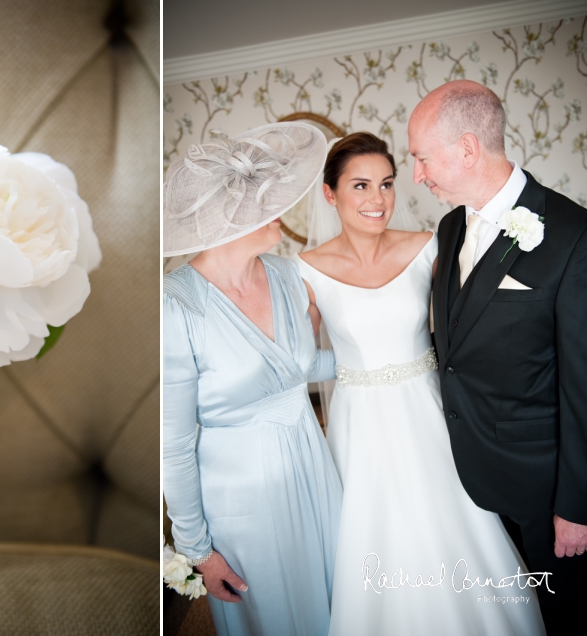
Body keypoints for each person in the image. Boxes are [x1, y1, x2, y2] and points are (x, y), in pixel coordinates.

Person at [294, 131, 545, 635]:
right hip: (359, 423)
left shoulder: (429, 247)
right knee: (375, 533)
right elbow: (298, 360)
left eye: (386, 184)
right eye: (360, 186)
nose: (378, 200)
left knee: (454, 524)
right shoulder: (306, 271)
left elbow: (473, 327)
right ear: (330, 194)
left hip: (429, 411)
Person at [410, 79, 587, 635]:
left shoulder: (572, 236)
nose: (417, 174)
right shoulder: (450, 225)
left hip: (543, 494)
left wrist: (576, 505)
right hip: (465, 481)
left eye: (420, 158)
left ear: (466, 148)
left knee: (560, 617)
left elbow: (583, 386)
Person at [163, 122, 343, 635]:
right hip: (244, 504)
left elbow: (301, 370)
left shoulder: (287, 275)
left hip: (313, 472)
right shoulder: (176, 306)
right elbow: (174, 447)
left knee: (336, 606)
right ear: (228, 217)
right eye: (267, 203)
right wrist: (198, 550)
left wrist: (386, 363)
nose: (280, 213)